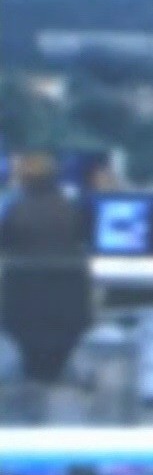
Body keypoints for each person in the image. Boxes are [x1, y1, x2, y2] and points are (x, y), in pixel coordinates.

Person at [0, 152, 93, 407]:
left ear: (24, 181)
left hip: (22, 318)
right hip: (69, 318)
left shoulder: (15, 213)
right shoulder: (73, 211)